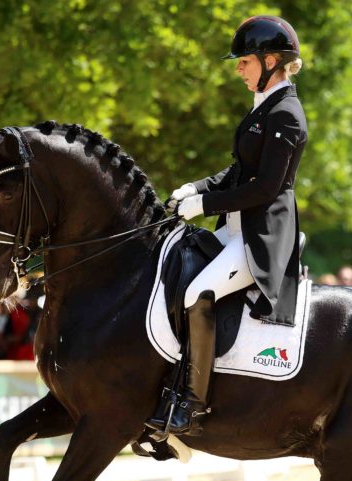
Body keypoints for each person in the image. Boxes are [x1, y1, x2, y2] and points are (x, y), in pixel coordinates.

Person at [145, 15, 307, 439]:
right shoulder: (263, 107)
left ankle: (193, 404)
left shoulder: (287, 115)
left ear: (272, 61)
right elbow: (238, 171)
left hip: (261, 237)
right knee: (173, 270)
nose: (238, 68)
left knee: (200, 292)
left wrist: (204, 203)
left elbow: (266, 188)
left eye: (245, 61)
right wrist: (193, 187)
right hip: (234, 227)